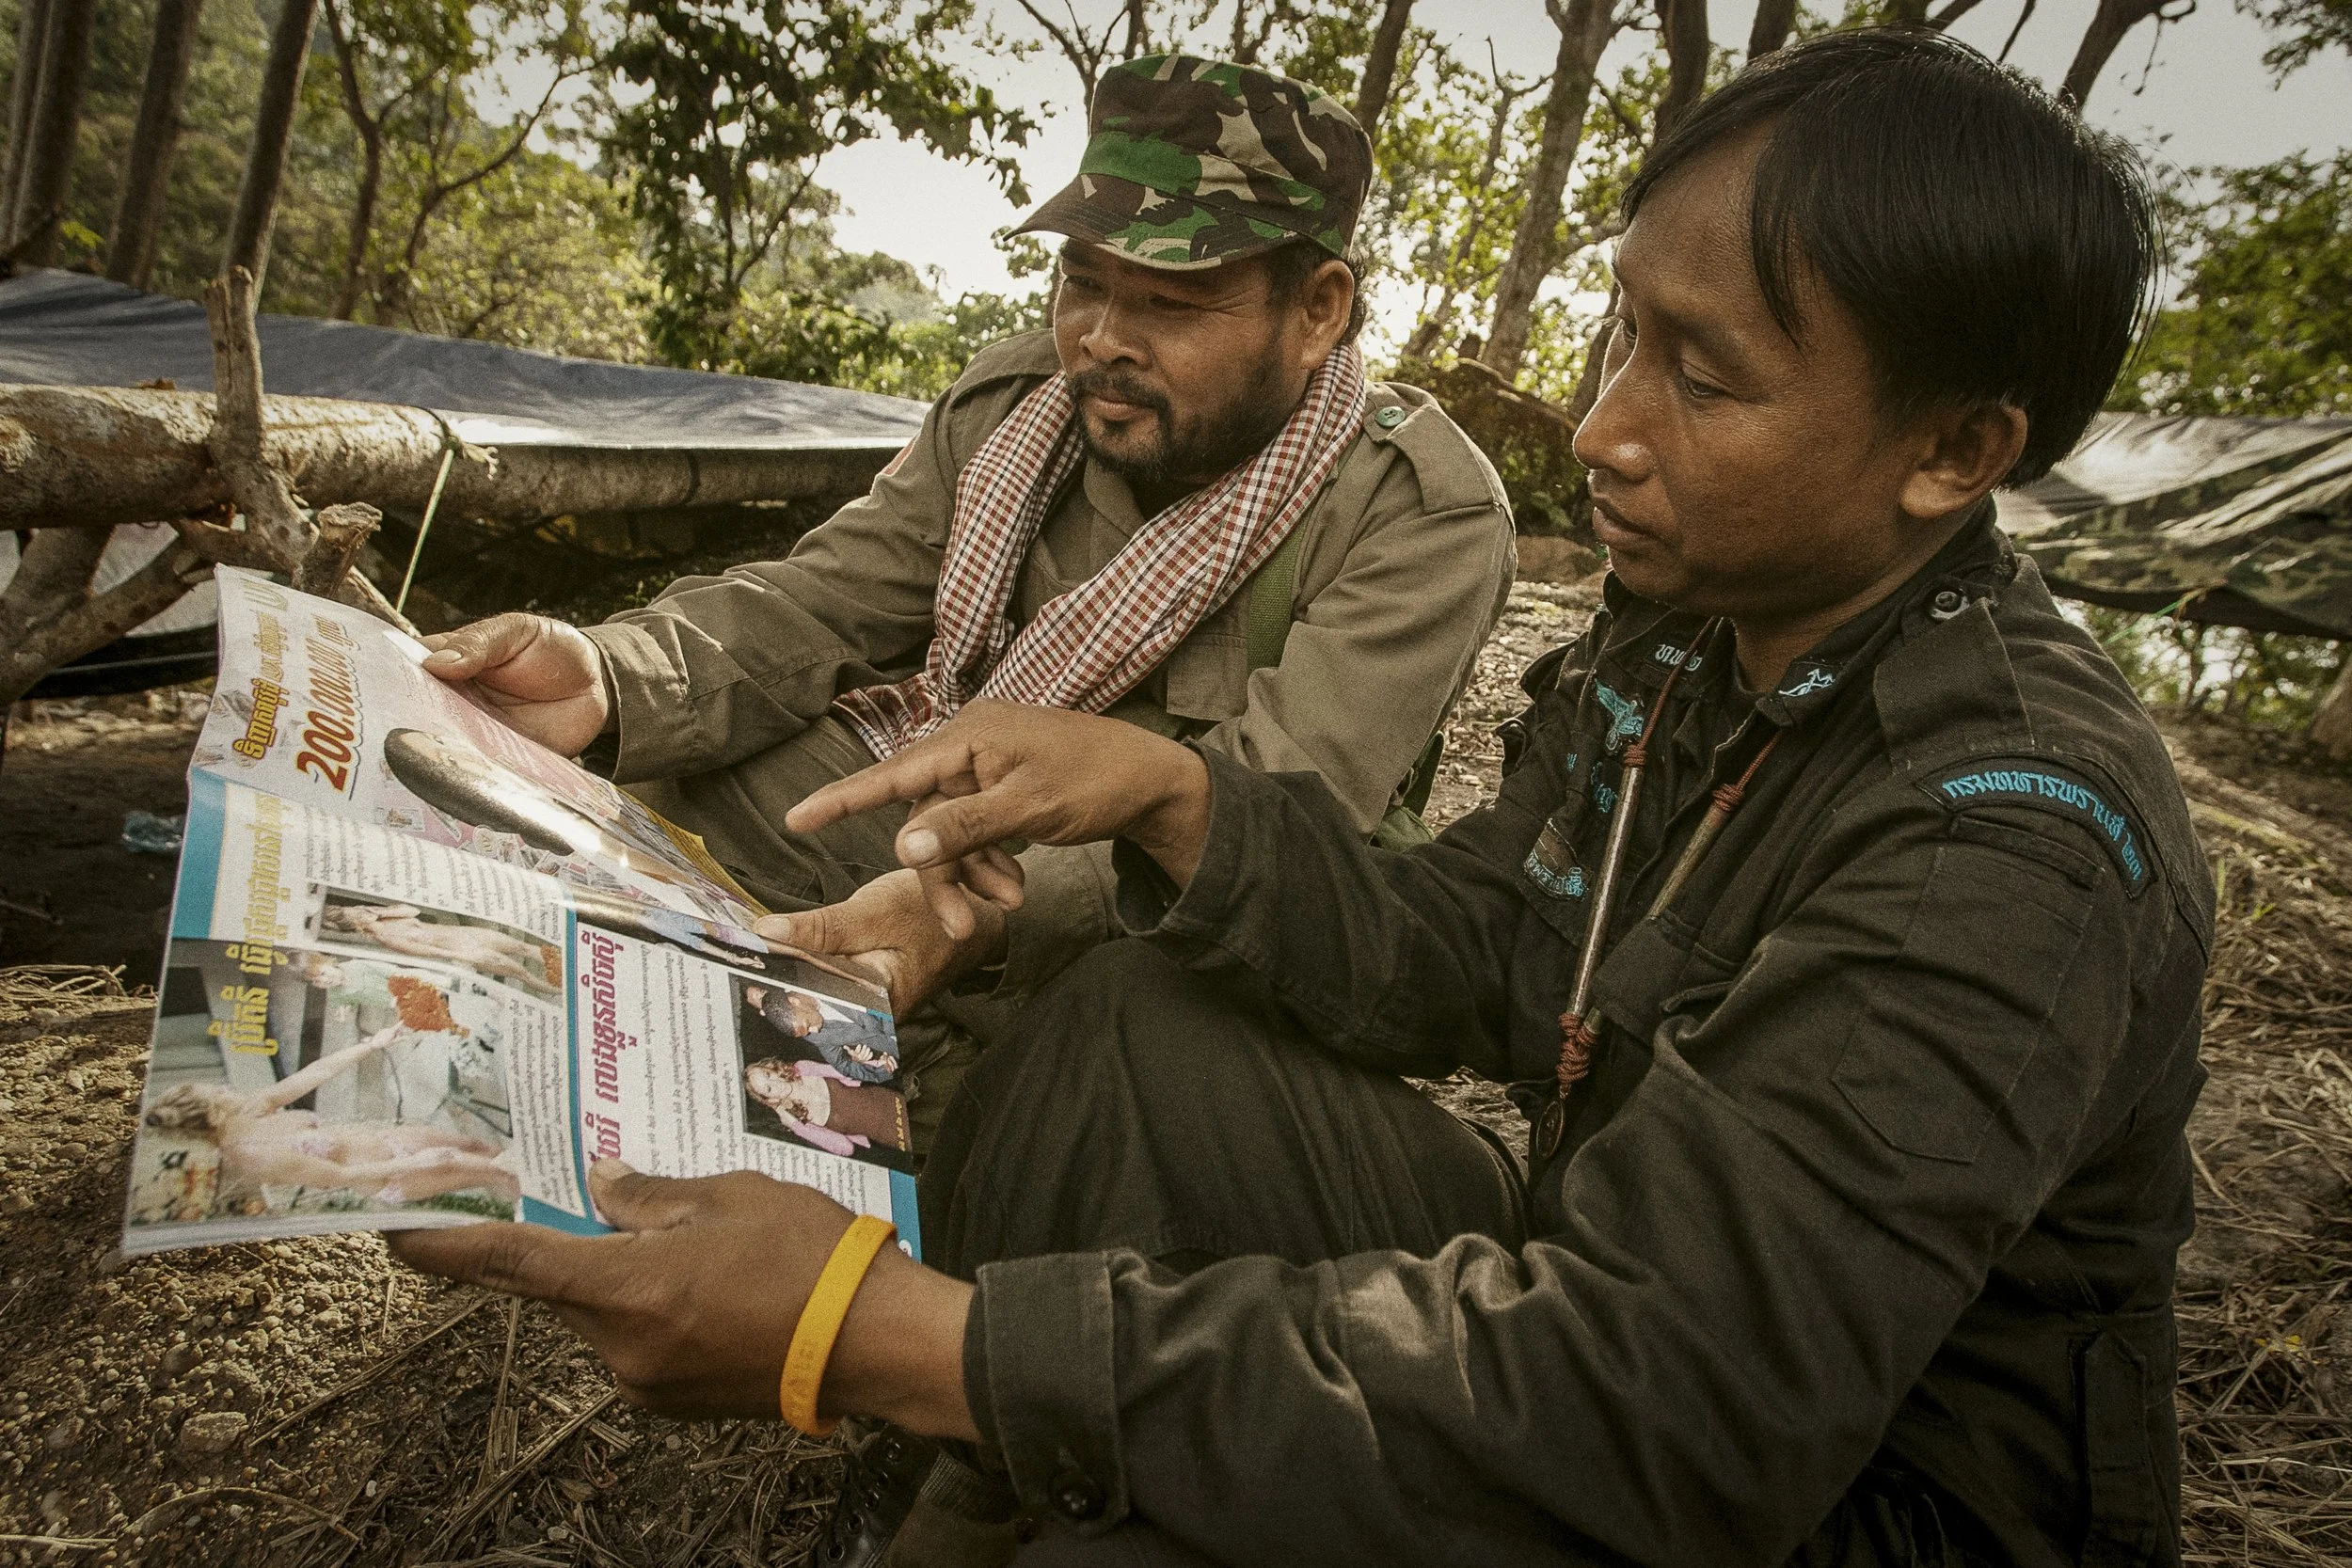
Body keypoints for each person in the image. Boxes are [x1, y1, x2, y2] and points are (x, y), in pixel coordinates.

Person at [392, 31, 2209, 1568]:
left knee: (1155, 1486)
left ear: (1955, 454)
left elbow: (1676, 1411)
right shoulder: (1688, 641)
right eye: (1623, 336)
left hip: (1830, 1501)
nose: (1603, 427)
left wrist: (888, 1334)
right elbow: (1496, 931)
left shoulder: (2006, 830)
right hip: (1609, 1281)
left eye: (1704, 376)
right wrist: (1179, 797)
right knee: (1123, 1028)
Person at [411, 54, 1517, 1128]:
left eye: (1174, 301)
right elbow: (826, 600)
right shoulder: (1016, 402)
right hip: (940, 812)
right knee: (654, 789)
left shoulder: (1417, 513)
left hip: (1166, 904)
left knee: (1079, 1064)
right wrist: (612, 674)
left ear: (1319, 309)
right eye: (1083, 279)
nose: (1104, 339)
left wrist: (983, 918)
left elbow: (1254, 823)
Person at [148, 1026, 519, 1208]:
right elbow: (338, 1176)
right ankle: (549, 1201)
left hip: (386, 1140)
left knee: (477, 1146)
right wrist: (418, 1162)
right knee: (493, 1170)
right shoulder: (248, 1154)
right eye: (218, 1094)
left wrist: (369, 1046)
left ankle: (536, 1183)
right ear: (211, 1113)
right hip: (389, 1173)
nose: (226, 1090)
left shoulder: (250, 1110)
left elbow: (313, 1074)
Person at [321, 901, 561, 998]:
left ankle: (564, 964)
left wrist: (381, 911)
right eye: (359, 914)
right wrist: (464, 957)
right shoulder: (385, 937)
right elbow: (427, 953)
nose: (364, 910)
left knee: (522, 947)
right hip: (461, 949)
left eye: (360, 907)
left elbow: (412, 911)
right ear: (357, 926)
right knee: (522, 973)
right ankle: (560, 990)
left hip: (466, 934)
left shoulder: (385, 919)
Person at [743, 1055, 911, 1159]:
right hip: (890, 1133)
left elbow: (845, 1071)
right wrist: (797, 1127)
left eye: (768, 1075)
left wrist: (879, 1064)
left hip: (889, 1099)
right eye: (768, 1088)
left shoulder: (802, 1068)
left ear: (771, 1067)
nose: (776, 1083)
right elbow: (846, 1148)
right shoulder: (799, 1122)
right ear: (770, 1099)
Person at [744, 983, 899, 1084]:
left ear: (794, 1001)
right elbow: (842, 1065)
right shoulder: (813, 1036)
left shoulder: (822, 980)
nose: (815, 1030)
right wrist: (879, 1066)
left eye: (808, 1025)